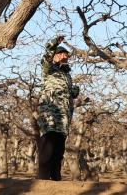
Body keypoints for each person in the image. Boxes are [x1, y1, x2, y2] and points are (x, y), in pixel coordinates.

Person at [36, 35, 79, 180]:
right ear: (54, 56)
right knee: (47, 147)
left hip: (63, 118)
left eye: (65, 54)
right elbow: (47, 55)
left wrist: (73, 92)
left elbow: (66, 94)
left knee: (59, 150)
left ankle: (55, 179)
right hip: (49, 115)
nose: (64, 56)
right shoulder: (49, 69)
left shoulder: (67, 75)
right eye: (60, 54)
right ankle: (42, 180)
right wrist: (54, 43)